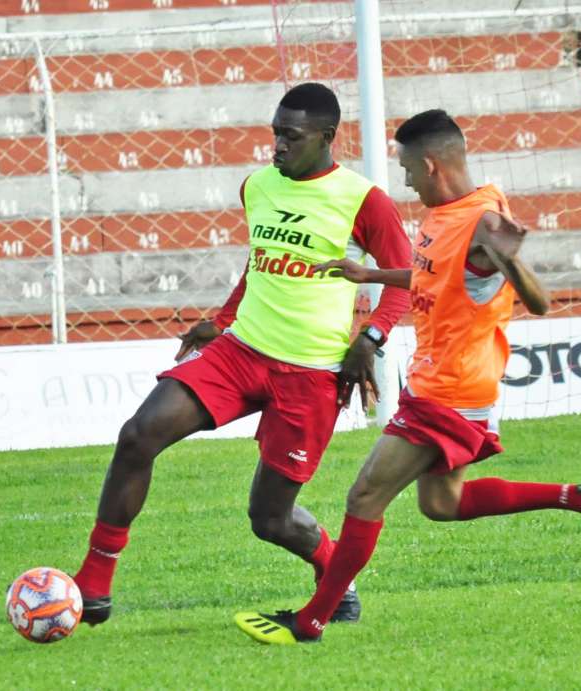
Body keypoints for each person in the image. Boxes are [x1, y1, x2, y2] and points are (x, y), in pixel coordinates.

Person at [234, 109, 581, 645]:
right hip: (439, 382)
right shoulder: (444, 213)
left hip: (450, 390)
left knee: (363, 499)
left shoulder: (484, 223)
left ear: (430, 165)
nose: (404, 180)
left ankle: (310, 623)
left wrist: (513, 264)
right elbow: (435, 274)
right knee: (441, 504)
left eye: (407, 170)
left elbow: (538, 302)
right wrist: (370, 273)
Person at [72, 82, 412, 626]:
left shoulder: (363, 200)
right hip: (242, 352)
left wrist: (370, 339)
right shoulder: (258, 186)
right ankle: (94, 583)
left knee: (269, 519)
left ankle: (331, 572)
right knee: (139, 434)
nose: (276, 146)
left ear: (326, 137)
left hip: (310, 373)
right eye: (275, 133)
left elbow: (407, 281)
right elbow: (261, 263)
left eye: (290, 136)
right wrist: (223, 320)